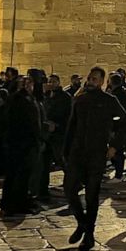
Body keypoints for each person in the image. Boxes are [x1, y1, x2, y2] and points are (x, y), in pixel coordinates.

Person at [63, 67, 126, 251]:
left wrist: (114, 146)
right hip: (78, 152)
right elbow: (72, 125)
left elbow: (125, 123)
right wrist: (66, 150)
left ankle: (89, 235)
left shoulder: (109, 101)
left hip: (96, 153)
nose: (91, 82)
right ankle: (82, 222)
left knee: (92, 195)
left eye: (95, 79)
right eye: (89, 78)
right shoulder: (80, 99)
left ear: (102, 82)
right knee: (69, 189)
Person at [0, 76, 43, 217]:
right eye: (25, 83)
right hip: (20, 144)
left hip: (26, 143)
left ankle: (20, 202)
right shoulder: (18, 100)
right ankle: (11, 204)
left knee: (24, 175)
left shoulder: (30, 99)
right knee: (16, 175)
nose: (29, 86)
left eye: (30, 83)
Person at [37, 74, 72, 202]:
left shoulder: (65, 97)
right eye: (49, 81)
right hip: (48, 134)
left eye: (53, 81)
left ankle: (73, 184)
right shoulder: (46, 96)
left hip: (59, 134)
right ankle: (42, 190)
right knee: (45, 163)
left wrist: (58, 126)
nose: (51, 83)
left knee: (62, 160)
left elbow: (68, 116)